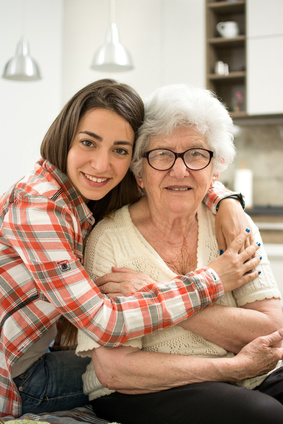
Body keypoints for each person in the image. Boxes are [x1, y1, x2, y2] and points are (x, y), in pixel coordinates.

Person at [0, 78, 258, 418]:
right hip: (18, 377)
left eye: (120, 150)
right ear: (65, 138)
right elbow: (103, 322)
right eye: (89, 143)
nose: (102, 164)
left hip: (38, 351)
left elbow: (174, 174)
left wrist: (226, 200)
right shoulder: (38, 208)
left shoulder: (83, 190)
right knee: (127, 373)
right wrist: (212, 280)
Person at [77, 84, 283, 424]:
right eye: (161, 154)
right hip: (147, 388)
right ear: (139, 172)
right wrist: (232, 368)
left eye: (196, 154)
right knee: (264, 416)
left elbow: (272, 328)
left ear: (215, 169)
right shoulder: (108, 239)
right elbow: (115, 368)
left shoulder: (231, 224)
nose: (179, 170)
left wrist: (157, 295)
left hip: (251, 374)